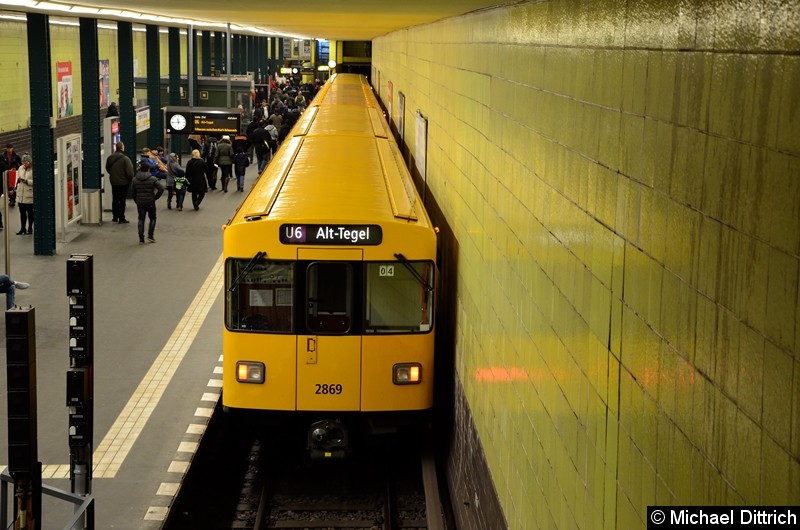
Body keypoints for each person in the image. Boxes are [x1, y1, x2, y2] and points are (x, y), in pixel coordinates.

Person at [131, 159, 165, 244]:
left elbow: (133, 192)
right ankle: (150, 235)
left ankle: (141, 239)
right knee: (153, 218)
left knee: (141, 219)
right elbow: (161, 188)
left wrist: (136, 200)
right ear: (149, 169)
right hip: (150, 201)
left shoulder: (135, 179)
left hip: (140, 202)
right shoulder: (152, 179)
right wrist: (155, 197)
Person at [105, 141, 134, 223]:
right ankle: (121, 217)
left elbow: (107, 168)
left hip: (113, 181)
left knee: (115, 199)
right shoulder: (125, 159)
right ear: (122, 148)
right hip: (123, 183)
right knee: (122, 200)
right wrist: (130, 179)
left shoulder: (110, 157)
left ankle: (115, 216)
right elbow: (130, 172)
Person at [0, 143, 22, 216]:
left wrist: (17, 170)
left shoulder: (16, 156)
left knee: (12, 186)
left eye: (10, 148)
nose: (9, 150)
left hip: (13, 173)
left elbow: (20, 164)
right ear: (6, 148)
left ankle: (12, 200)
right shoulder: (2, 156)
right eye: (8, 148)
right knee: (4, 185)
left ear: (13, 148)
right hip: (4, 174)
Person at [14, 153, 33, 235]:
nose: (24, 164)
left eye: (26, 163)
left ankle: (30, 228)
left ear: (30, 162)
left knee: (30, 213)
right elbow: (17, 177)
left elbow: (36, 181)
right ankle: (23, 228)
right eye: (23, 163)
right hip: (21, 194)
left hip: (29, 194)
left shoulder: (33, 169)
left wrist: (26, 181)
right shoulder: (20, 168)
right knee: (22, 213)